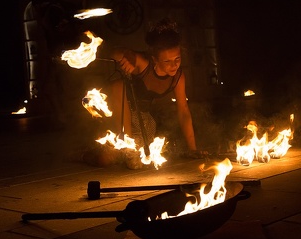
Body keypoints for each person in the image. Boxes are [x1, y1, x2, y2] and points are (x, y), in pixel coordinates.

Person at [81, 17, 207, 169]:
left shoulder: (178, 77)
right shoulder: (142, 63)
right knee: (107, 159)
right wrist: (127, 53)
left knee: (148, 157)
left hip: (142, 119)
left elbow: (183, 111)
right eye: (167, 61)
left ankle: (126, 151)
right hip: (117, 111)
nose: (174, 65)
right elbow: (113, 52)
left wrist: (192, 149)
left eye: (177, 59)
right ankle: (83, 152)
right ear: (155, 59)